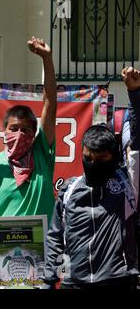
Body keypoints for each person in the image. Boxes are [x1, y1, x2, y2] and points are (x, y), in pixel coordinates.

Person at [42, 67, 139, 289]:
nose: (93, 164)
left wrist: (134, 93)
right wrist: (48, 281)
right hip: (74, 282)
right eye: (88, 158)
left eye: (101, 159)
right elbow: (55, 237)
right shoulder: (69, 190)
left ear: (113, 158)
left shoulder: (127, 185)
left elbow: (137, 139)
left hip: (118, 281)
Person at [0, 37, 57, 289]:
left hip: (42, 258)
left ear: (35, 134)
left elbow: (50, 104)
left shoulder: (42, 155)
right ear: (4, 131)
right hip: (2, 261)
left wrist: (47, 59)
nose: (19, 135)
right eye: (14, 128)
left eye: (25, 130)